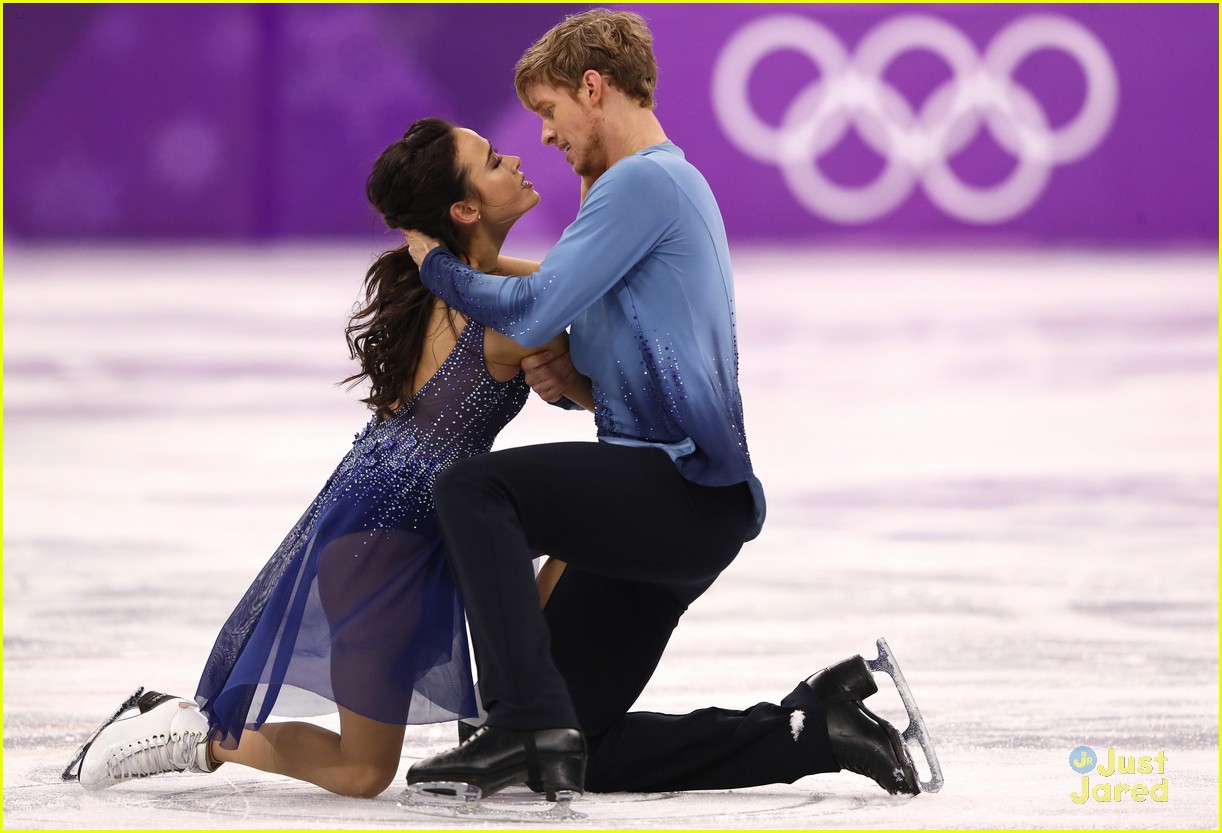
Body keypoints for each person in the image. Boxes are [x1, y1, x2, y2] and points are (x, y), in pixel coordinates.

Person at [403, 8, 924, 802]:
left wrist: (434, 263)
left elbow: (537, 308)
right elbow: (633, 368)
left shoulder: (644, 182)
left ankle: (519, 723)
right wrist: (580, 388)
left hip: (679, 492)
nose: (544, 135)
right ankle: (806, 728)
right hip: (676, 504)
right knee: (580, 749)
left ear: (592, 86)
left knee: (473, 490)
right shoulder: (646, 187)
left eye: (548, 112)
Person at [63, 117, 592, 799]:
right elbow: (584, 342)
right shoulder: (509, 314)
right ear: (463, 210)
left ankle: (514, 710)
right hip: (379, 545)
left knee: (585, 527)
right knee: (362, 770)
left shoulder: (465, 283)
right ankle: (188, 732)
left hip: (429, 524)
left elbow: (557, 294)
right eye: (493, 160)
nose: (516, 158)